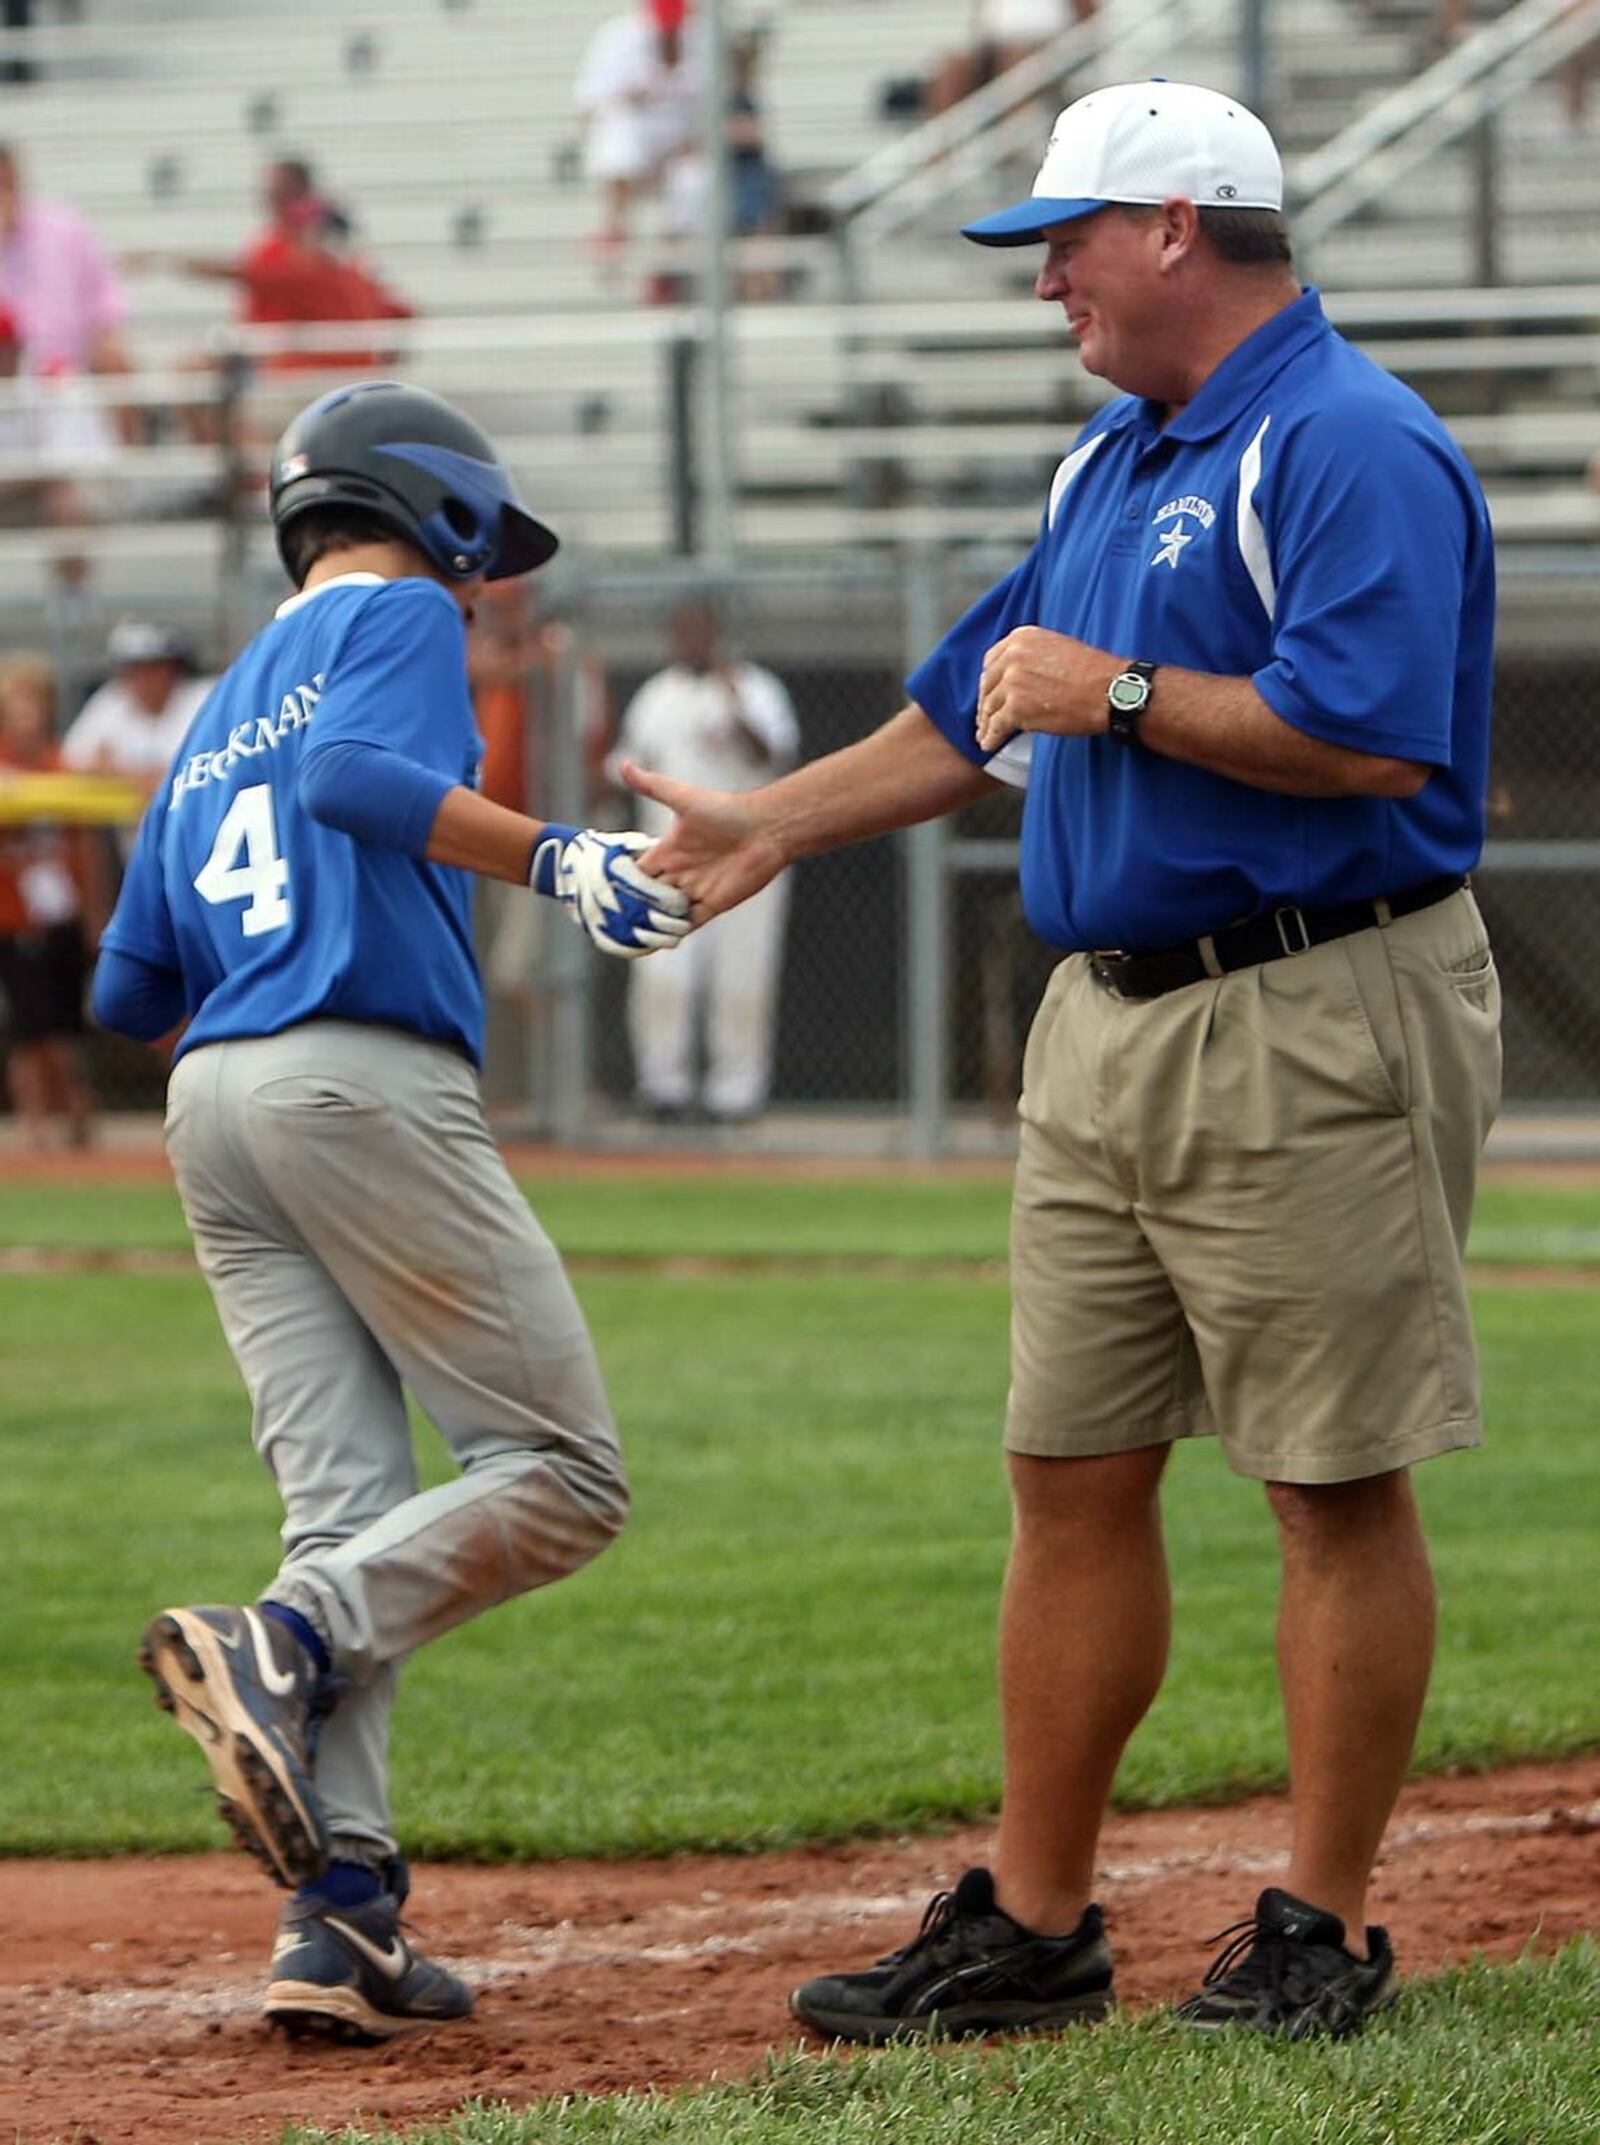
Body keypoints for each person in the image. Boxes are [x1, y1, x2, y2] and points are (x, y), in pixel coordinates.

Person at [629, 79, 1501, 2041]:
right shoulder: (1111, 459)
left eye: (1066, 237)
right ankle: (1031, 1918)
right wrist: (768, 822)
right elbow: (969, 711)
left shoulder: (1346, 437)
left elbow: (1371, 739)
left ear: (1178, 223)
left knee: (1327, 1479)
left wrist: (1110, 688)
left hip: (1308, 1006)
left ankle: (1319, 1921)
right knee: (1063, 1467)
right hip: (1104, 1022)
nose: (1043, 280)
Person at [91, 380, 690, 2040]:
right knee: (564, 1478)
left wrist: (263, 1033)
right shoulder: (406, 614)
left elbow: (134, 977)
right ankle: (285, 1639)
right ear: (421, 512)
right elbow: (358, 777)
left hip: (213, 1104)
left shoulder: (210, 710)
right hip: (356, 1070)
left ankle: (338, 1914)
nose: (485, 578)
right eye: (477, 544)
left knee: (343, 1506)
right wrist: (564, 861)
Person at [608, 599, 798, 1123]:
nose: (692, 641)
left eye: (700, 631)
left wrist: (734, 708)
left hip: (747, 855)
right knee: (663, 977)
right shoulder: (656, 694)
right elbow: (623, 767)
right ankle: (662, 1088)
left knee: (742, 977)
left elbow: (777, 756)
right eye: (682, 632)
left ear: (717, 634)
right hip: (668, 855)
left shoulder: (754, 688)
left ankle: (735, 1094)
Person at [0, 650, 102, 1148]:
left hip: (61, 912)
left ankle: (77, 1114)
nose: (26, 715)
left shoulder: (64, 765)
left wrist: (94, 912)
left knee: (65, 1027)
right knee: (28, 1028)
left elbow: (85, 847)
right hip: (13, 918)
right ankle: (34, 1125)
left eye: (34, 703)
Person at [62, 621, 216, 853]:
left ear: (174, 667)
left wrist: (120, 771)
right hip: (137, 845)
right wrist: (141, 777)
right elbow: (72, 761)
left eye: (155, 666)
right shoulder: (111, 701)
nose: (145, 677)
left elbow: (219, 760)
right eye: (134, 668)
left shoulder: (203, 696)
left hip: (203, 833)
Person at [574, 0, 703, 254]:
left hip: (682, 142)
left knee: (694, 178)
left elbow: (712, 110)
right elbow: (588, 106)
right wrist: (630, 97)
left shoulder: (702, 41)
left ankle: (676, 252)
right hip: (633, 133)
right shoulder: (616, 38)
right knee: (618, 138)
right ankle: (615, 226)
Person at [0, 143, 131, 381]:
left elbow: (104, 298)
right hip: (8, 374)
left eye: (9, 186)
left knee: (117, 366)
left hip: (70, 375)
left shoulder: (62, 226)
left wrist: (103, 340)